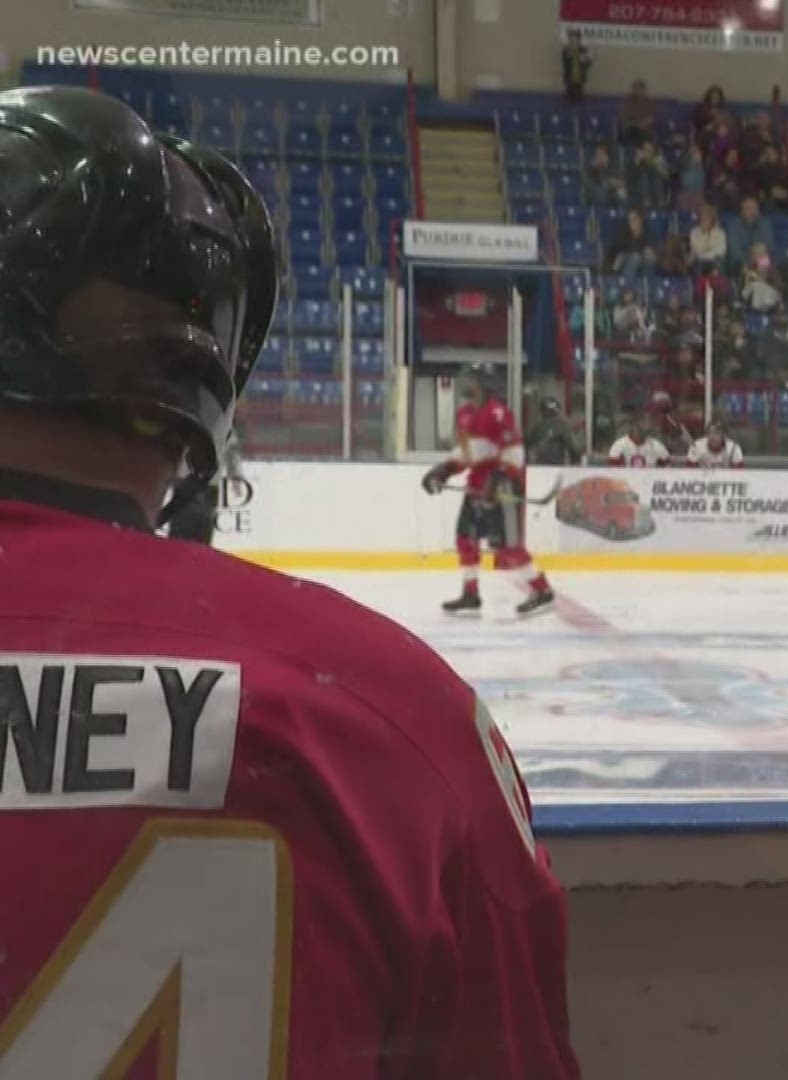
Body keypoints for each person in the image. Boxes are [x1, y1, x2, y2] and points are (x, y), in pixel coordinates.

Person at [0, 87, 578, 1077]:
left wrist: (467, 470)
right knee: (476, 546)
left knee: (490, 541)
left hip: (491, 491)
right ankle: (494, 588)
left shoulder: (493, 434)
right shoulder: (385, 717)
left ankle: (509, 587)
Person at [422, 370, 559, 617]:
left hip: (502, 488)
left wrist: (498, 481)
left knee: (507, 547)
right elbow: (467, 453)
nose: (468, 385)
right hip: (476, 486)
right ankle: (471, 593)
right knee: (466, 539)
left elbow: (514, 453)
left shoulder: (498, 413)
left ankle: (542, 591)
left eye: (474, 381)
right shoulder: (463, 414)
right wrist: (443, 471)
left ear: (485, 385)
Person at [166, 424, 242, 544]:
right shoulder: (222, 427)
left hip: (204, 486)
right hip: (193, 483)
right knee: (187, 530)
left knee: (196, 531)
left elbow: (232, 454)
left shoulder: (224, 428)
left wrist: (236, 477)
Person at [524, 396, 584, 465]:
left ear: (542, 412)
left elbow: (525, 443)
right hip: (556, 467)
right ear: (557, 411)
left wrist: (527, 461)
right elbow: (573, 449)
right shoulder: (562, 426)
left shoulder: (537, 428)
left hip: (540, 467)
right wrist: (575, 463)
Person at [688, 203, 727, 274]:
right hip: (698, 261)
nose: (704, 218)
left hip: (715, 261)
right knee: (700, 265)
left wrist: (707, 254)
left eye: (707, 216)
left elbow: (721, 251)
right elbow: (697, 250)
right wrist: (704, 233)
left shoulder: (720, 232)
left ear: (712, 218)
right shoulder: (694, 232)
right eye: (702, 216)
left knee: (715, 265)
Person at [559, 28, 591, 105]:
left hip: (580, 77)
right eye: (571, 39)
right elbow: (564, 63)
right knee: (569, 99)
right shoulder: (566, 50)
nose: (573, 41)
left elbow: (587, 65)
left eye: (575, 39)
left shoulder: (583, 50)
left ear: (579, 40)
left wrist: (585, 60)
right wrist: (569, 54)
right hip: (569, 77)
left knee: (580, 99)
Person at [618, 77, 655, 143]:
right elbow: (622, 116)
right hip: (630, 126)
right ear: (633, 89)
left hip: (643, 127)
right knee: (625, 131)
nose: (638, 91)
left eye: (640, 89)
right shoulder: (628, 100)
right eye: (636, 88)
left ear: (644, 90)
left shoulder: (649, 101)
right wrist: (634, 123)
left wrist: (645, 122)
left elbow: (651, 118)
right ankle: (626, 151)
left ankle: (644, 152)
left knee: (645, 133)